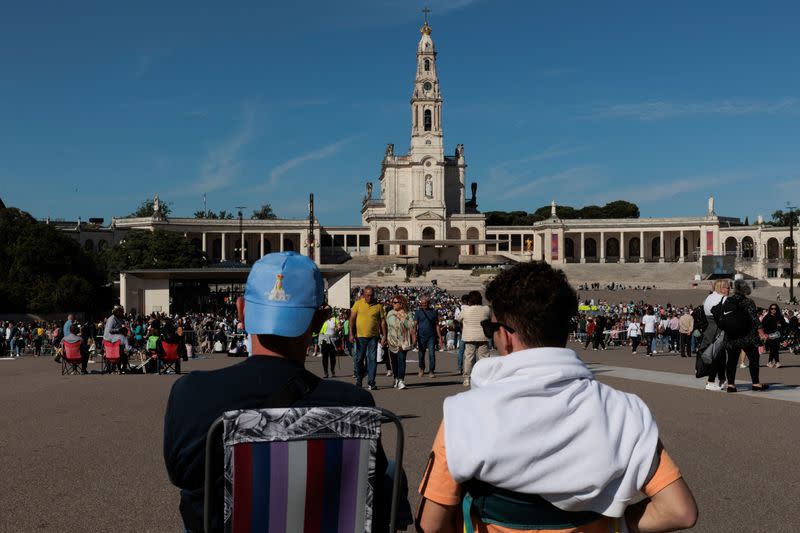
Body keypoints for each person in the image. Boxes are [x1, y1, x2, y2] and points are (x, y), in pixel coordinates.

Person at [415, 262, 698, 533]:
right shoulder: (626, 411)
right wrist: (615, 525)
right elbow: (679, 511)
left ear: (506, 336)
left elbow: (432, 524)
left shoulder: (463, 414)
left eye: (492, 330)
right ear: (563, 329)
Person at [163, 252, 409, 532]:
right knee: (388, 470)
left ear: (241, 310)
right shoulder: (353, 403)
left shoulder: (192, 393)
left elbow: (182, 475)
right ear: (319, 320)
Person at [718, 279, 768, 393]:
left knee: (731, 361)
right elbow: (755, 319)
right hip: (747, 336)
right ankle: (755, 383)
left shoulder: (728, 301)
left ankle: (731, 385)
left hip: (731, 336)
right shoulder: (748, 301)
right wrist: (762, 333)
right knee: (754, 359)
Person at [349, 286, 387, 390]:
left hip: (373, 337)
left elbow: (383, 322)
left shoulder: (378, 306)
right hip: (360, 337)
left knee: (372, 360)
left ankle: (371, 382)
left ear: (374, 295)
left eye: (371, 295)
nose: (369, 297)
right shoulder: (358, 304)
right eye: (367, 295)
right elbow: (352, 319)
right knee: (359, 359)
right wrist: (351, 334)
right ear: (364, 294)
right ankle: (359, 380)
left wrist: (384, 336)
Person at [456, 290, 491, 387]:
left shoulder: (466, 310)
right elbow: (489, 318)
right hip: (482, 336)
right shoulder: (486, 309)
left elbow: (458, 318)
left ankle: (467, 378)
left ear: (469, 300)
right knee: (484, 358)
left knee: (469, 358)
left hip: (469, 336)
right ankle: (484, 377)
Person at [386, 294, 416, 390]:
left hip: (403, 341)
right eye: (392, 302)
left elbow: (411, 325)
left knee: (401, 360)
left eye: (395, 302)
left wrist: (402, 318)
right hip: (392, 341)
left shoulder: (408, 314)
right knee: (394, 362)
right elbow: (389, 327)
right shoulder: (390, 313)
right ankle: (396, 378)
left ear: (401, 303)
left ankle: (401, 380)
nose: (393, 304)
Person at [415, 296, 444, 378]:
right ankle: (421, 369)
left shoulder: (434, 312)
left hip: (431, 336)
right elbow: (415, 325)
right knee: (421, 354)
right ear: (420, 304)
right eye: (422, 303)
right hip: (421, 336)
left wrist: (440, 337)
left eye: (425, 303)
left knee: (432, 354)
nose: (424, 305)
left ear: (428, 303)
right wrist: (413, 336)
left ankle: (431, 371)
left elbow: (437, 326)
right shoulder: (418, 312)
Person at [103, 305, 130, 372]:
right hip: (109, 340)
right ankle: (117, 367)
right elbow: (110, 330)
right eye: (122, 312)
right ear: (118, 312)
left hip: (115, 339)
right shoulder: (112, 319)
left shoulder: (119, 318)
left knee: (124, 351)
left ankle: (122, 367)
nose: (123, 313)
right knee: (122, 353)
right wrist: (119, 329)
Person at [762, 304, 786, 368]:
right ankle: (777, 362)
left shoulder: (780, 317)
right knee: (774, 348)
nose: (773, 310)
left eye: (775, 308)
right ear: (770, 309)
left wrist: (783, 332)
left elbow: (784, 325)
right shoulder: (767, 317)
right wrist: (764, 335)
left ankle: (769, 362)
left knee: (774, 348)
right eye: (772, 309)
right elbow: (762, 326)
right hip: (769, 336)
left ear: (777, 309)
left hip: (778, 335)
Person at [318, 312, 339, 378]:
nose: (328, 313)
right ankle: (326, 372)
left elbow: (339, 326)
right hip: (324, 339)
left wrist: (338, 329)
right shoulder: (322, 320)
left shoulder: (335, 319)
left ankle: (332, 371)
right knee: (325, 357)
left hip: (332, 340)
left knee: (333, 357)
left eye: (329, 311)